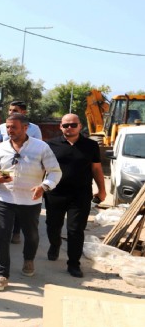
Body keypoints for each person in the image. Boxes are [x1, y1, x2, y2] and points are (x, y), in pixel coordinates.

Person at [0, 113, 61, 292]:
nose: (10, 131)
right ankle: (2, 274)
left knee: (31, 234)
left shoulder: (41, 147)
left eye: (14, 127)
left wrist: (44, 186)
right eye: (8, 127)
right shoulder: (0, 148)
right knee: (1, 235)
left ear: (25, 128)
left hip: (30, 200)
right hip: (3, 198)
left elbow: (55, 172)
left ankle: (28, 260)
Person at [45, 114, 106, 278]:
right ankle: (55, 244)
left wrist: (102, 190)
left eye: (73, 125)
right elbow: (42, 168)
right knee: (52, 225)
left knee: (75, 230)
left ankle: (73, 264)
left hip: (80, 195)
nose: (69, 128)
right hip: (55, 193)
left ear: (80, 126)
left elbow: (96, 169)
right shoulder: (50, 145)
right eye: (65, 125)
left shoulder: (91, 145)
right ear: (60, 126)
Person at [0, 101, 42, 243]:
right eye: (9, 110)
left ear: (23, 112)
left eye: (14, 110)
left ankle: (16, 231)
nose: (10, 112)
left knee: (20, 202)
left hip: (25, 169)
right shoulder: (2, 127)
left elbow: (37, 149)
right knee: (6, 197)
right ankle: (3, 233)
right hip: (6, 167)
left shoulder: (34, 129)